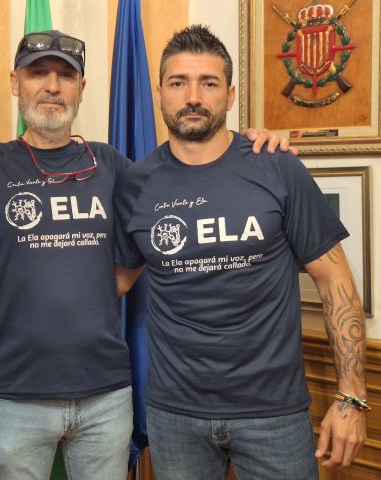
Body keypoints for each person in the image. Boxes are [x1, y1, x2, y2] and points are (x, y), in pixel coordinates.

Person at [0, 29, 294, 479]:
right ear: (15, 83)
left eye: (66, 75)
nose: (52, 86)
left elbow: (170, 209)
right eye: (37, 73)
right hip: (10, 396)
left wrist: (251, 145)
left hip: (105, 395)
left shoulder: (113, 166)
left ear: (81, 88)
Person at [115, 24, 368, 479]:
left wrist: (352, 395)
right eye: (178, 83)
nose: (193, 97)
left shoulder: (277, 166)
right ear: (159, 93)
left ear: (230, 95)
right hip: (175, 415)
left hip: (273, 413)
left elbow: (335, 281)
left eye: (209, 83)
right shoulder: (136, 183)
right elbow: (114, 281)